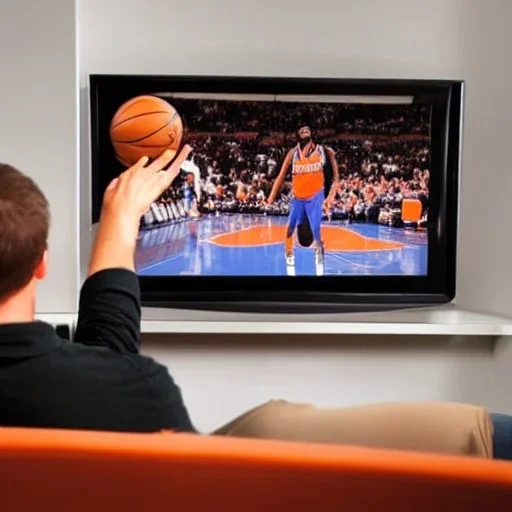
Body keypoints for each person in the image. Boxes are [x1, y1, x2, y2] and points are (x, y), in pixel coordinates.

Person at [0, 152, 511, 461]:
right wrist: (121, 215)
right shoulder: (132, 392)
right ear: (42, 262)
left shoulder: (103, 380)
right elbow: (107, 361)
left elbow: (106, 346)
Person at [267, 126, 340, 276]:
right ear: (297, 135)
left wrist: (332, 193)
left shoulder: (322, 150)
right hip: (298, 198)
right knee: (289, 229)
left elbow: (336, 176)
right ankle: (289, 260)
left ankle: (319, 259)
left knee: (317, 232)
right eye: (302, 129)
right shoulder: (292, 154)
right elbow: (280, 178)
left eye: (308, 129)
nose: (306, 130)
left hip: (315, 197)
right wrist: (270, 199)